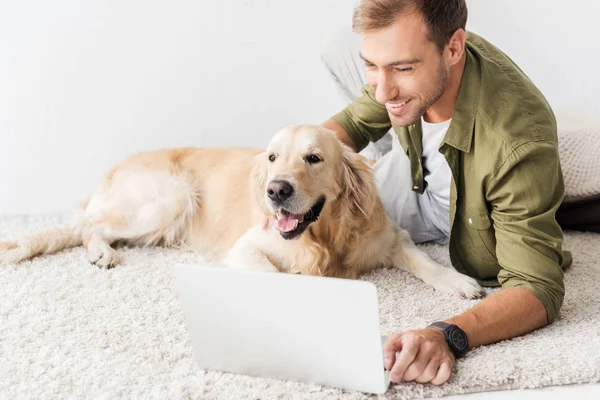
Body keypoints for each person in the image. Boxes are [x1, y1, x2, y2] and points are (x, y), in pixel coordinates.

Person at [320, 0, 572, 386]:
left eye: (402, 68)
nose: (382, 89)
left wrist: (446, 334)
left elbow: (537, 288)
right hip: (414, 171)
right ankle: (390, 148)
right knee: (338, 48)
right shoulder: (406, 57)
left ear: (454, 48)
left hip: (465, 220)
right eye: (372, 65)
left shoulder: (518, 144)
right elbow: (356, 119)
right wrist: (293, 167)